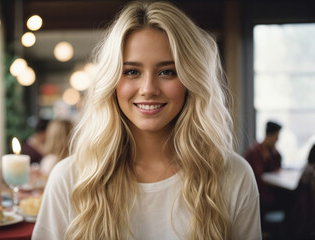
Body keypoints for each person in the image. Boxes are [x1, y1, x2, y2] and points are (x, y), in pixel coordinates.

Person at [33, 2, 261, 239]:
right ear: (112, 82)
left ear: (190, 80)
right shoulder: (70, 179)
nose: (148, 89)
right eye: (132, 71)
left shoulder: (234, 176)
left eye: (167, 72)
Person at [243, 121, 282, 218]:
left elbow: (277, 168)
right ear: (270, 135)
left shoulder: (274, 152)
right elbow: (257, 178)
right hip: (259, 196)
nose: (277, 139)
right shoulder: (254, 152)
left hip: (269, 193)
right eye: (276, 136)